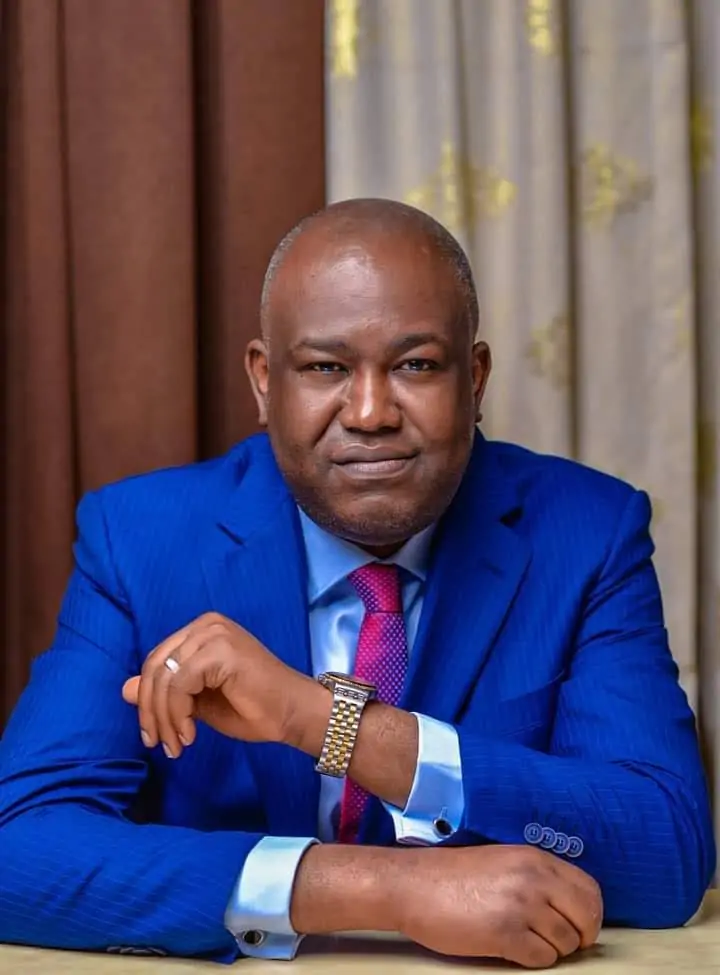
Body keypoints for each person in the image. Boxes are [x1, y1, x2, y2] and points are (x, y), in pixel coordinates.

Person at [0, 200, 714, 969]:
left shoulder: (586, 534)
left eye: (416, 365)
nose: (371, 413)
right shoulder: (141, 540)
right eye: (326, 368)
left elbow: (667, 854)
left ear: (474, 379)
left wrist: (319, 719)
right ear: (265, 381)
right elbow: (17, 848)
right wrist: (385, 887)